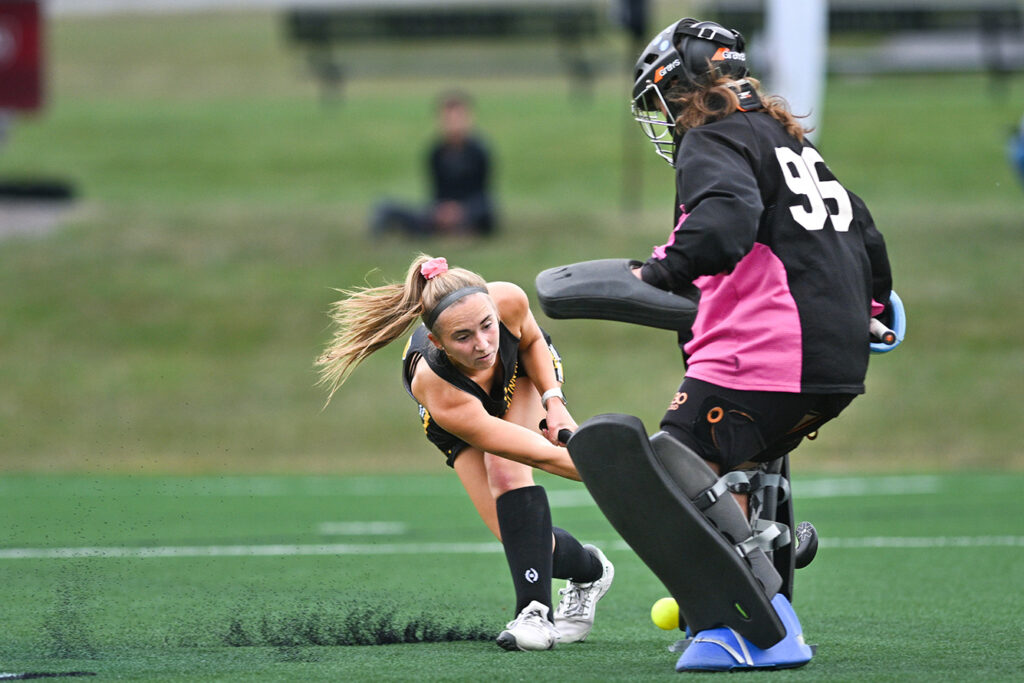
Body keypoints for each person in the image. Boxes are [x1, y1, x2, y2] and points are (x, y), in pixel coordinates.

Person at [565, 17, 893, 671]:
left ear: (679, 89)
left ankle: (764, 626)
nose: (661, 120)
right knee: (735, 460)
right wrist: (876, 308)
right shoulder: (787, 138)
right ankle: (760, 566)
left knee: (674, 457)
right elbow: (863, 227)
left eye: (658, 102)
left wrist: (659, 270)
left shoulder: (710, 138)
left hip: (774, 354)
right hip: (835, 362)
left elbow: (723, 223)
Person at [315, 254, 613, 651]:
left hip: (516, 377)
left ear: (493, 309)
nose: (483, 344)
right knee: (517, 539)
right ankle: (591, 571)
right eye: (463, 337)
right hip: (462, 417)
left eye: (487, 326)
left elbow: (532, 338)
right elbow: (542, 455)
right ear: (437, 342)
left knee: (506, 474)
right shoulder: (437, 386)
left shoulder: (507, 299)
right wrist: (622, 479)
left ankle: (534, 613)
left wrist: (554, 400)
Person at [371, 92, 496, 238]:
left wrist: (459, 210)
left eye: (458, 118)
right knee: (406, 211)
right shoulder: (436, 152)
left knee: (485, 210)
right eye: (449, 119)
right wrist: (442, 211)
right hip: (442, 208)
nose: (454, 124)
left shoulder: (479, 151)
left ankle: (460, 227)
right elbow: (436, 192)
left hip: (470, 208)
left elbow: (483, 192)